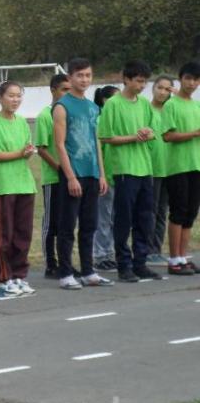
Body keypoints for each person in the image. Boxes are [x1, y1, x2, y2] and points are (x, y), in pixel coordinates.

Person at [98, 60, 160, 282]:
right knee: (124, 219)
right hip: (124, 169)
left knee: (145, 218)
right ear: (126, 79)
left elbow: (154, 130)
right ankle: (124, 265)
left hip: (145, 168)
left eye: (144, 82)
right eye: (138, 81)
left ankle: (140, 262)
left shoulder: (144, 104)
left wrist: (147, 133)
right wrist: (134, 137)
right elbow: (106, 137)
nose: (141, 86)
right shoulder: (113, 104)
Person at [53, 59, 112, 290]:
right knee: (67, 226)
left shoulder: (93, 108)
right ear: (70, 77)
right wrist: (70, 177)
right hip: (73, 173)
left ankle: (88, 271)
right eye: (80, 75)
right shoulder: (62, 106)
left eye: (88, 75)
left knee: (89, 225)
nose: (84, 79)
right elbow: (60, 145)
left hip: (92, 174)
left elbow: (96, 142)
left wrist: (101, 174)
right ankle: (65, 273)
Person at [0, 81, 37, 297]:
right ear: (0, 98)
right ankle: (4, 278)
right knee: (3, 234)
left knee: (23, 233)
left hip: (24, 183)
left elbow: (26, 148)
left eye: (18, 96)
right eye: (11, 96)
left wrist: (27, 152)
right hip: (3, 186)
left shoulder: (22, 122)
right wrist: (20, 153)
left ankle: (19, 276)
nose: (15, 100)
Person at [162, 61, 200, 275]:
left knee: (191, 212)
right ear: (180, 79)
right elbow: (168, 136)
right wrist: (194, 133)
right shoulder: (171, 105)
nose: (192, 83)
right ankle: (174, 258)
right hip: (177, 166)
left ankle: (183, 257)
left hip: (196, 164)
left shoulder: (197, 106)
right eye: (188, 78)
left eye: (196, 80)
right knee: (178, 211)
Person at [35, 74, 71, 279]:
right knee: (51, 223)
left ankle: (66, 263)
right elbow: (41, 148)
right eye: (64, 89)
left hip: (70, 177)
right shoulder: (44, 115)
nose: (67, 93)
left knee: (67, 222)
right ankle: (51, 264)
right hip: (54, 178)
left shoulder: (69, 113)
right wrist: (59, 167)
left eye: (69, 89)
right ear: (53, 90)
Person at [92, 85, 120, 271]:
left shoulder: (118, 119)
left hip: (119, 173)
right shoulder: (99, 120)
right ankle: (100, 255)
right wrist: (101, 175)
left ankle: (110, 253)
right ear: (105, 100)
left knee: (115, 217)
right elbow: (98, 151)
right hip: (105, 175)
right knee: (103, 216)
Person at [147, 76, 173, 264]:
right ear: (153, 88)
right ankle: (147, 250)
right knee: (150, 211)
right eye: (160, 87)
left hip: (170, 169)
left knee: (162, 212)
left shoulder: (170, 111)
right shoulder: (145, 110)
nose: (163, 92)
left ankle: (156, 249)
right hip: (151, 169)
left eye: (167, 89)